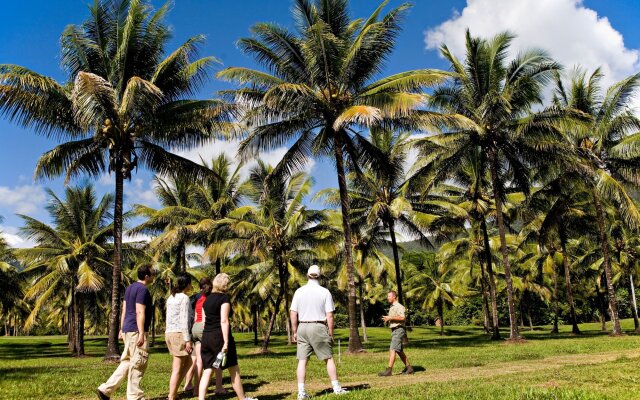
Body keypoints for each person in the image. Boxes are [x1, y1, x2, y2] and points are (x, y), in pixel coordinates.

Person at [96, 263, 155, 400]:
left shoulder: (129, 288)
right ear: (146, 276)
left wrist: (122, 329)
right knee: (138, 363)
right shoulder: (142, 290)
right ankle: (135, 397)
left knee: (127, 361)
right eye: (152, 274)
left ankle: (105, 389)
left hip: (128, 329)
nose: (154, 276)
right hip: (136, 330)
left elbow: (124, 310)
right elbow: (139, 311)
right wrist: (141, 333)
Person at [290, 265, 348, 400]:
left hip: (302, 327)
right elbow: (330, 316)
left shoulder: (299, 291)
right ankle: (337, 388)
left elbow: (293, 313)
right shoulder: (325, 292)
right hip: (318, 326)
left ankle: (301, 392)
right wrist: (331, 333)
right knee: (328, 358)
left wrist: (294, 331)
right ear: (320, 276)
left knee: (302, 361)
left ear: (307, 275)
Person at [198, 273, 257, 400]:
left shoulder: (206, 300)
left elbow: (204, 321)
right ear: (225, 285)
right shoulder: (224, 298)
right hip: (219, 337)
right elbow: (224, 320)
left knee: (208, 370)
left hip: (207, 337)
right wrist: (226, 342)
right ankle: (242, 398)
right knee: (233, 369)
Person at [184, 277, 226, 397]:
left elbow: (196, 313)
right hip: (204, 327)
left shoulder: (198, 297)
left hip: (195, 328)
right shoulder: (211, 298)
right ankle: (218, 386)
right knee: (218, 357)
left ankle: (196, 389)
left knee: (199, 360)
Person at [165, 273, 194, 400]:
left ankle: (174, 390)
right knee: (177, 367)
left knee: (188, 361)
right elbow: (184, 320)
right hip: (179, 334)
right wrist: (187, 339)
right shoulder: (184, 298)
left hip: (169, 333)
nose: (191, 285)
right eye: (190, 283)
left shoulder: (171, 297)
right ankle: (172, 396)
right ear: (187, 284)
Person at [378, 290, 414, 376]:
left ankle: (389, 370)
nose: (387, 298)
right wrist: (388, 319)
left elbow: (402, 318)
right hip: (395, 330)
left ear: (394, 297)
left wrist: (390, 318)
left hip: (399, 329)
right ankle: (409, 368)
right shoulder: (392, 307)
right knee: (399, 351)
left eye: (389, 296)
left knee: (393, 349)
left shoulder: (399, 306)